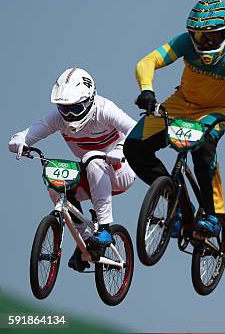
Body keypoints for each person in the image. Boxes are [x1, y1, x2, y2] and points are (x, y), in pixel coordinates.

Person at [123, 0, 225, 237]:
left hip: (214, 112)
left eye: (212, 36)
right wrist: (147, 90)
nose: (205, 42)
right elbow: (147, 62)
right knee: (133, 148)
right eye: (199, 36)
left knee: (202, 151)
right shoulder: (185, 43)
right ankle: (176, 201)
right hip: (178, 104)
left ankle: (214, 215)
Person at [8, 67, 136, 271]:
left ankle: (104, 229)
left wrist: (120, 149)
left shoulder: (104, 109)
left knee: (92, 157)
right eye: (63, 108)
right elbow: (32, 131)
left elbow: (134, 128)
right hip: (93, 174)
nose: (68, 115)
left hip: (121, 170)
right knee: (58, 185)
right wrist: (19, 140)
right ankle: (86, 244)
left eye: (75, 109)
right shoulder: (58, 118)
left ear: (90, 100)